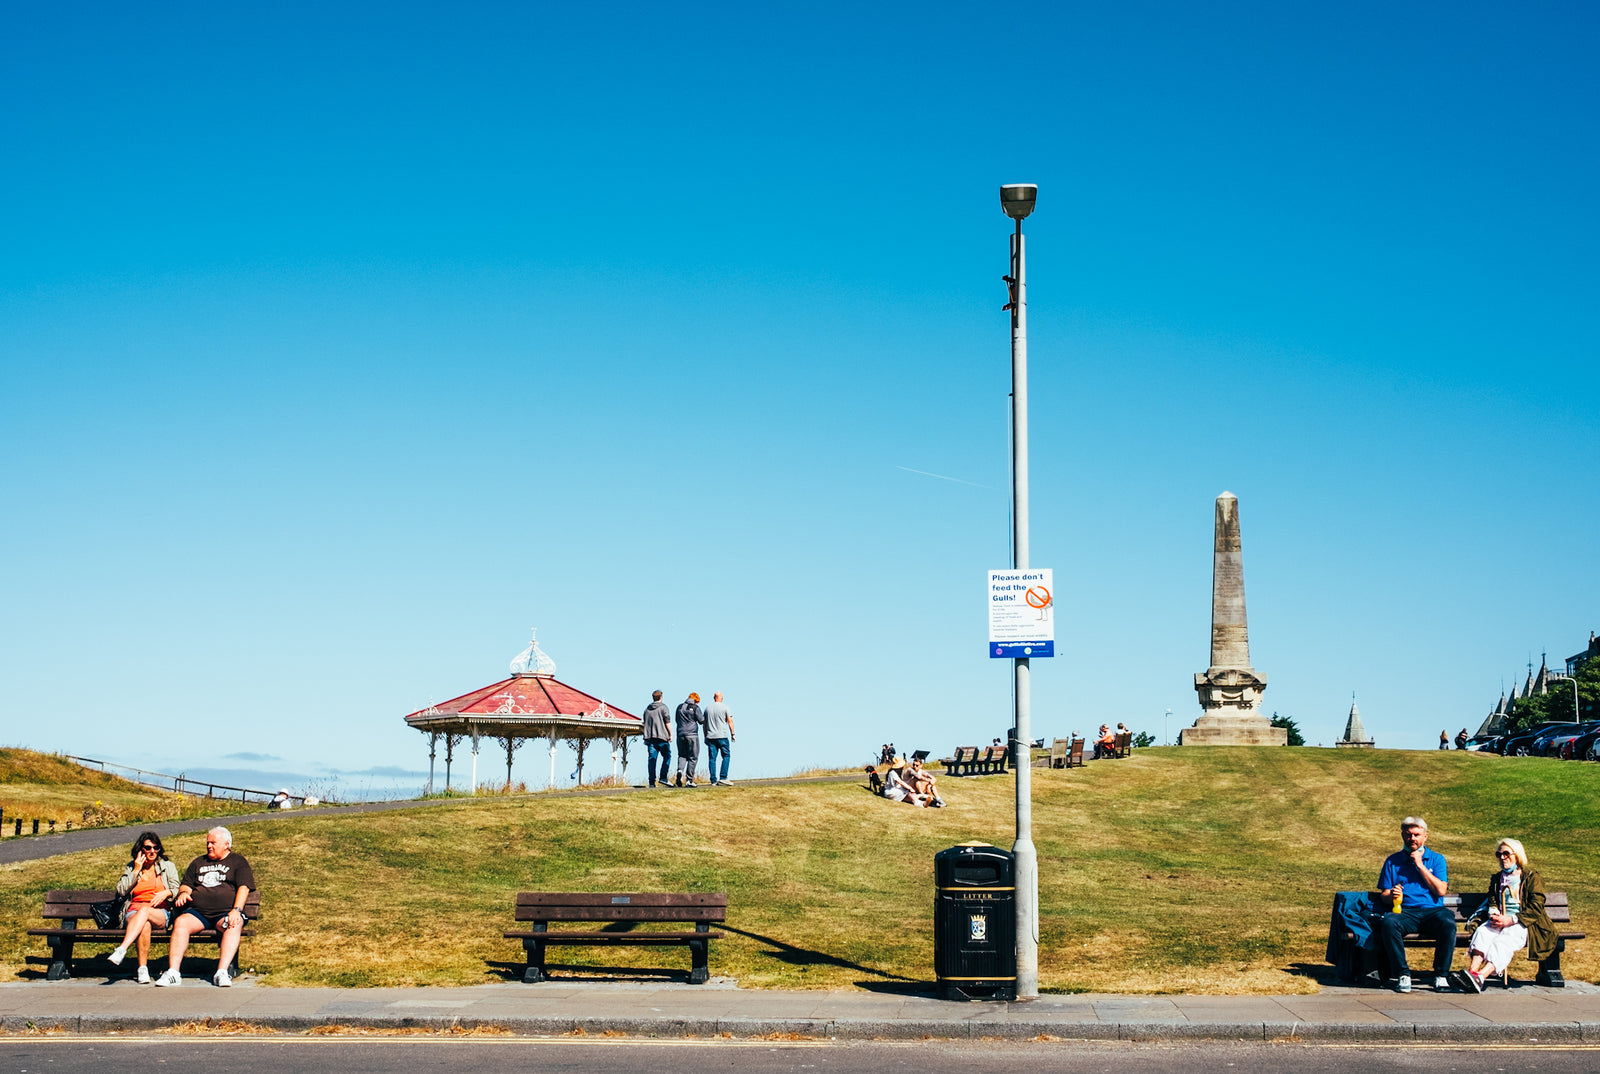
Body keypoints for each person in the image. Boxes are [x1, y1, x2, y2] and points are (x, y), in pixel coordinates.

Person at [1454, 838, 1558, 993]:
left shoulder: (1531, 878)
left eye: (1506, 853)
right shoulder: (1497, 878)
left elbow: (1536, 908)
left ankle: (1481, 977)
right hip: (1500, 920)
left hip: (1523, 923)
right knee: (1483, 932)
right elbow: (1492, 898)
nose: (1502, 858)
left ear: (1517, 855)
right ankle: (1471, 974)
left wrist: (1511, 919)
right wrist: (1493, 911)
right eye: (1499, 854)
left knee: (1505, 940)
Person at [155, 827, 255, 988]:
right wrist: (183, 894)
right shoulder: (198, 862)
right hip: (198, 913)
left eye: (213, 843)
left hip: (224, 913)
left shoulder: (238, 862)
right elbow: (186, 885)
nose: (209, 846)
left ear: (226, 844)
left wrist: (236, 910)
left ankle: (222, 972)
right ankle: (173, 972)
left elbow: (244, 887)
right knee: (181, 923)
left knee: (234, 924)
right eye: (208, 842)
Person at [1375, 815, 1454, 993]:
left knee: (1448, 923)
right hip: (1406, 912)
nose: (1412, 839)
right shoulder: (1392, 861)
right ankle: (1403, 973)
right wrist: (1391, 895)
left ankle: (1441, 975)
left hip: (1433, 911)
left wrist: (1420, 865)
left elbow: (1441, 891)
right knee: (1389, 922)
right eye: (1409, 834)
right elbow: (1384, 895)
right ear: (1403, 835)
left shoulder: (1437, 859)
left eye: (1417, 834)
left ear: (1425, 836)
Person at [105, 831, 181, 983]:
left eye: (156, 847)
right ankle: (142, 970)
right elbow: (121, 890)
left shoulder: (167, 866)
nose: (152, 851)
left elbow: (177, 889)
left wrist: (166, 893)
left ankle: (122, 949)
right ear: (140, 849)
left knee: (145, 911)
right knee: (144, 923)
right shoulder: (132, 867)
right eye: (148, 848)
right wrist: (136, 870)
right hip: (133, 912)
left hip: (160, 912)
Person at [701, 691, 736, 785]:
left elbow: (704, 724)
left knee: (712, 758)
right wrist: (733, 734)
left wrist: (705, 736)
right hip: (722, 736)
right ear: (721, 698)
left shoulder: (707, 708)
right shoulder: (725, 707)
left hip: (711, 736)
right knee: (726, 756)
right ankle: (723, 777)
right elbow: (730, 721)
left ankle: (713, 780)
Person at [640, 690, 673, 788]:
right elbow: (667, 722)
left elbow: (644, 723)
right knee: (667, 756)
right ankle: (663, 777)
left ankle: (651, 782)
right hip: (662, 737)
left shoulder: (647, 710)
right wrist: (670, 734)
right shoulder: (664, 708)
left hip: (650, 738)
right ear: (661, 697)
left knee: (652, 759)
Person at [674, 692, 702, 787]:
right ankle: (689, 780)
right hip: (692, 735)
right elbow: (701, 720)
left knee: (682, 755)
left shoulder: (679, 707)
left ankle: (680, 771)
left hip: (680, 734)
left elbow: (676, 719)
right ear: (696, 701)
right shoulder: (695, 708)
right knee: (693, 757)